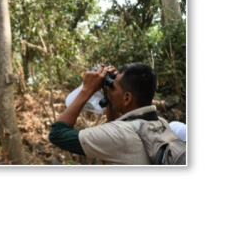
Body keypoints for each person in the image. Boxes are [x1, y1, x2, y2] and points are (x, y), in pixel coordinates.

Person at [49, 64, 185, 165]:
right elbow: (116, 123)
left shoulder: (120, 135)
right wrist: (111, 93)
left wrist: (87, 89)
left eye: (113, 88)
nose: (111, 91)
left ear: (126, 98)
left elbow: (57, 133)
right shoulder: (160, 122)